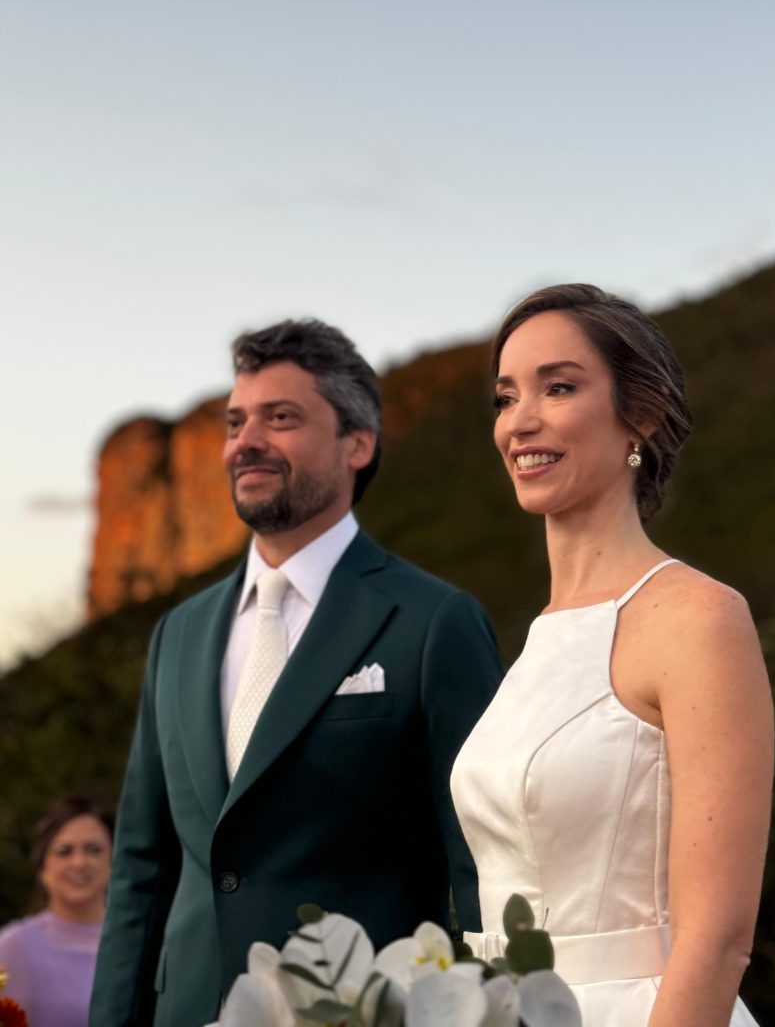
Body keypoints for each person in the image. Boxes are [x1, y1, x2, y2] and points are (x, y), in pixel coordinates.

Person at [90, 318, 503, 1027]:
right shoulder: (177, 634)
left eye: (281, 418)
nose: (245, 441)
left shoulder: (435, 622)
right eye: (235, 421)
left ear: (357, 443)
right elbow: (141, 869)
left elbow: (480, 867)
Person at [451, 283, 774, 1027]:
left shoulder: (698, 618)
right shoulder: (536, 642)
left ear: (643, 415)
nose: (520, 422)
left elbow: (718, 940)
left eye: (558, 387)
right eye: (505, 397)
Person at [0, 796, 113, 1027]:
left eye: (93, 849)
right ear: (43, 866)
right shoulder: (14, 946)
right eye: (64, 851)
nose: (79, 862)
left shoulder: (140, 943)